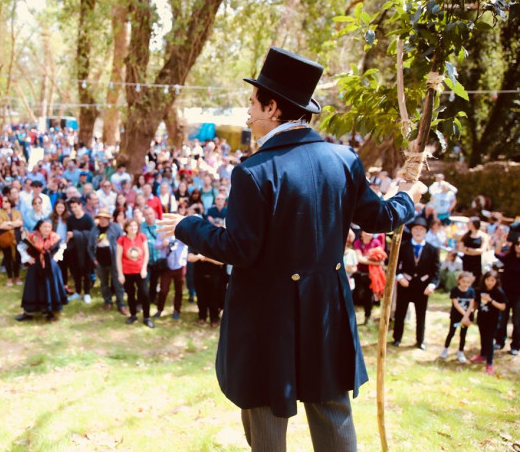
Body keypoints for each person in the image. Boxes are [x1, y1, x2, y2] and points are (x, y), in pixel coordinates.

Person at [157, 47, 419, 451]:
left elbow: (240, 249)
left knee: (266, 426)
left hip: (267, 320)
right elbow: (382, 217)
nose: (247, 112)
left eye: (252, 102)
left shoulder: (253, 172)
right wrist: (408, 197)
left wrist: (188, 227)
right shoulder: (344, 160)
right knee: (334, 420)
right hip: (326, 312)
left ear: (273, 107)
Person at [392, 216, 440, 350]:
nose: (418, 231)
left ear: (426, 232)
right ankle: (397, 338)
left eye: (421, 229)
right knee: (400, 312)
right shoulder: (403, 246)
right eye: (416, 229)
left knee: (421, 314)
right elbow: (394, 264)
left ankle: (420, 341)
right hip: (405, 284)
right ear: (412, 230)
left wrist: (432, 284)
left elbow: (436, 270)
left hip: (422, 286)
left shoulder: (432, 249)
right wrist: (399, 276)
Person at [15, 219, 67, 321]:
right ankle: (29, 312)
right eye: (45, 227)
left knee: (50, 287)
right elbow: (21, 247)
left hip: (51, 266)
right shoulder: (33, 237)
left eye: (49, 227)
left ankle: (49, 311)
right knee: (33, 288)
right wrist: (28, 258)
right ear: (39, 227)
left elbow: (62, 246)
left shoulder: (55, 237)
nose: (47, 229)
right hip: (36, 266)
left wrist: (56, 257)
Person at [117, 219, 153, 328]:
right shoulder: (122, 240)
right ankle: (133, 315)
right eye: (130, 226)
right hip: (127, 271)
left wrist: (144, 269)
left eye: (135, 226)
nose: (133, 228)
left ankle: (147, 317)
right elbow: (118, 258)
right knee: (130, 294)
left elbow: (146, 254)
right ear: (126, 228)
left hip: (140, 271)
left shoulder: (142, 237)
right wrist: (120, 274)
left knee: (145, 293)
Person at [90, 207, 126, 314]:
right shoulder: (94, 230)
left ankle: (121, 304)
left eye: (105, 218)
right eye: (100, 218)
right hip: (100, 262)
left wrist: (120, 259)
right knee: (104, 283)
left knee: (118, 283)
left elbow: (122, 243)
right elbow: (90, 247)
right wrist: (94, 260)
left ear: (108, 218)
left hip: (115, 261)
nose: (103, 220)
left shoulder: (116, 228)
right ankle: (108, 302)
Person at [472, 270, 506, 375]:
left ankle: (489, 363)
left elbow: (503, 307)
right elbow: (475, 303)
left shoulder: (499, 292)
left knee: (489, 340)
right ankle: (483, 354)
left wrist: (490, 300)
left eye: (492, 280)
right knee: (483, 336)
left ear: (496, 281)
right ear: (484, 280)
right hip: (482, 318)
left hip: (493, 320)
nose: (490, 282)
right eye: (488, 280)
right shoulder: (479, 290)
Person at [440, 271, 475, 363]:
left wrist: (466, 317)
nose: (465, 284)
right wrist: (464, 315)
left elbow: (471, 305)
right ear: (459, 281)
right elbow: (456, 304)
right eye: (463, 281)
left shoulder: (471, 291)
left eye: (468, 282)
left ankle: (460, 351)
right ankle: (445, 349)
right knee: (451, 333)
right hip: (456, 316)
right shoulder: (455, 290)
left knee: (463, 335)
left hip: (467, 317)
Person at [494, 234, 519, 355]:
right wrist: (502, 241)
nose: (519, 247)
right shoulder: (509, 257)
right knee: (502, 318)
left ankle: (515, 345)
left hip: (519, 295)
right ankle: (499, 341)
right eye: (517, 244)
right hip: (506, 293)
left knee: (517, 320)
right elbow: (497, 253)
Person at [66, 197, 94, 303]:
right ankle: (77, 292)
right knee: (76, 272)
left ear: (80, 205)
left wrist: (76, 234)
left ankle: (87, 293)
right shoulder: (70, 219)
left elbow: (91, 234)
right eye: (72, 207)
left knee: (86, 272)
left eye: (75, 207)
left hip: (86, 249)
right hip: (74, 249)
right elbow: (69, 233)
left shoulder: (88, 219)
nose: (74, 209)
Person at [153, 236, 188, 320]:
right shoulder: (163, 232)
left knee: (179, 290)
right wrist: (162, 244)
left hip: (180, 265)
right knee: (163, 290)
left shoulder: (182, 232)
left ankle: (177, 311)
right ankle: (159, 309)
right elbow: (156, 245)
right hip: (166, 267)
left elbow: (189, 243)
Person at [0, 197, 23, 287]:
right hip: (6, 237)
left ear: (10, 203)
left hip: (16, 237)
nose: (3, 203)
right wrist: (13, 224)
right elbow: (0, 226)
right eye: (3, 201)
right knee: (7, 257)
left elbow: (20, 223)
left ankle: (17, 276)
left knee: (17, 256)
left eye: (6, 201)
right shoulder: (0, 213)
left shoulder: (16, 212)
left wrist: (7, 223)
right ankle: (10, 277)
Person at [457, 216, 489, 280]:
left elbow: (482, 250)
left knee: (475, 278)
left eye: (469, 223)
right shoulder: (465, 235)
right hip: (466, 260)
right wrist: (469, 251)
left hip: (477, 261)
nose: (467, 225)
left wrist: (469, 250)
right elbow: (460, 248)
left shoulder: (483, 236)